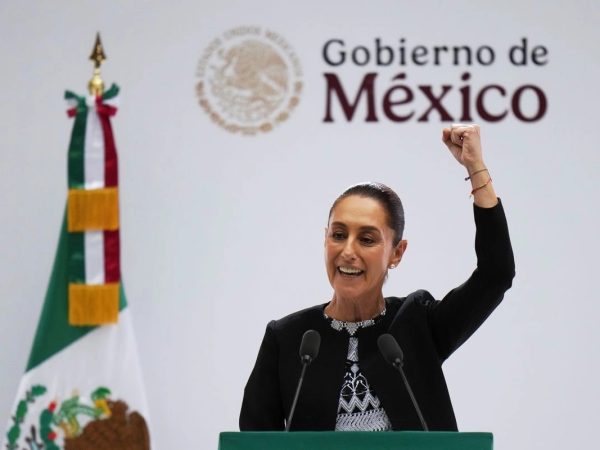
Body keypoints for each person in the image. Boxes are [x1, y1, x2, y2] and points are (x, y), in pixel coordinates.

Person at [239, 124, 515, 431]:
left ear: (397, 253)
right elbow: (254, 441)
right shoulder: (289, 339)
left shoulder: (416, 324)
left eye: (367, 239)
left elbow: (496, 275)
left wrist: (476, 169)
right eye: (338, 235)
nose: (348, 251)